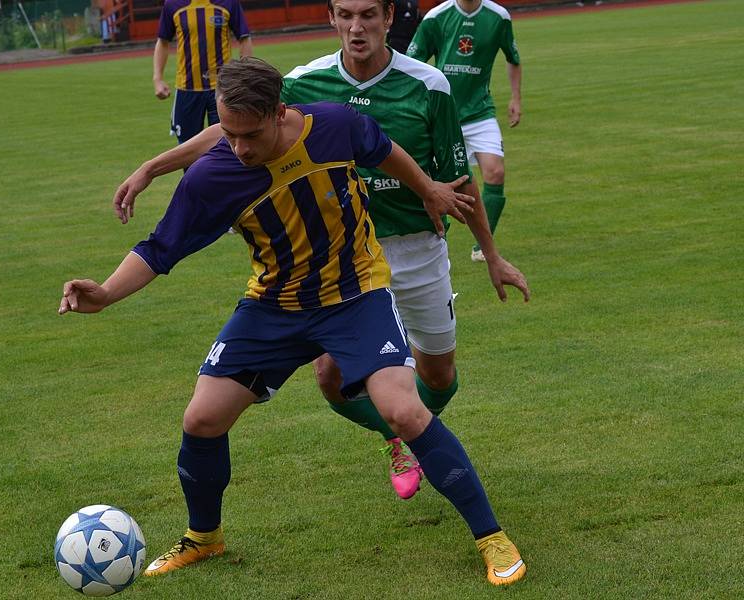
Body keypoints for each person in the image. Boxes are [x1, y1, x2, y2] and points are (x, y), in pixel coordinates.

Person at [63, 57, 526, 586]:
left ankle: (491, 535)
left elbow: (382, 150)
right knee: (202, 419)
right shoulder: (215, 175)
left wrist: (425, 187)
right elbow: (160, 247)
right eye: (228, 133)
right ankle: (203, 539)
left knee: (402, 410)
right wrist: (104, 294)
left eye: (250, 135)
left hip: (355, 294)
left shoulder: (334, 125)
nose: (238, 148)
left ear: (281, 113)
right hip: (273, 306)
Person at [113, 0, 529, 512]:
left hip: (416, 247)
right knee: (331, 378)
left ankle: (408, 431)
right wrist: (153, 167)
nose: (357, 27)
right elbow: (236, 126)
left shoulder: (429, 86)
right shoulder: (302, 84)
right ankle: (400, 435)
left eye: (369, 15)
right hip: (341, 259)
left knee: (438, 376)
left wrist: (491, 254)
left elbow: (455, 185)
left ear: (389, 17)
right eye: (345, 14)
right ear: (332, 18)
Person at [407, 0, 522, 262]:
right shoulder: (436, 17)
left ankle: (483, 247)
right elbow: (411, 62)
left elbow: (513, 58)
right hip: (442, 114)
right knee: (432, 181)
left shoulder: (498, 17)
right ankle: (432, 241)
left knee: (495, 171)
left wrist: (516, 99)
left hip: (480, 110)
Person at [153, 0, 253, 145]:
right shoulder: (173, 4)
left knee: (226, 144)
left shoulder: (228, 2)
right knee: (187, 148)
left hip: (222, 88)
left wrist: (244, 76)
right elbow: (163, 41)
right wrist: (157, 79)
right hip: (187, 88)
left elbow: (244, 38)